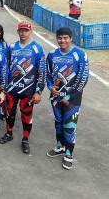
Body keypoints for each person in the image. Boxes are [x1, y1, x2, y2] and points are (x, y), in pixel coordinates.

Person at [0, 21, 46, 154]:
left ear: (31, 31)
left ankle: (25, 139)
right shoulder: (12, 47)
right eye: (21, 30)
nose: (23, 33)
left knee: (26, 115)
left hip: (28, 90)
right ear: (18, 31)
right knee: (9, 112)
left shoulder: (37, 48)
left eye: (26, 30)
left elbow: (42, 71)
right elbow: (6, 67)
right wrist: (4, 87)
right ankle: (9, 133)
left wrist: (39, 91)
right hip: (12, 89)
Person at [46, 27, 89, 170]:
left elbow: (83, 78)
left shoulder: (80, 54)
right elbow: (48, 75)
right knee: (58, 123)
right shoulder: (52, 54)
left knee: (69, 126)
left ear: (71, 38)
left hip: (72, 100)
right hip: (56, 97)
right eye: (60, 38)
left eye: (65, 38)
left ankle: (69, 154)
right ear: (57, 38)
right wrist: (51, 87)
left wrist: (68, 96)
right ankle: (60, 146)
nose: (62, 40)